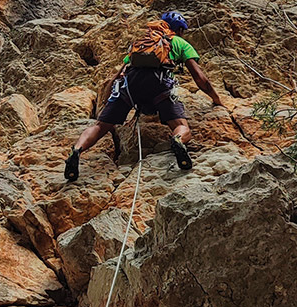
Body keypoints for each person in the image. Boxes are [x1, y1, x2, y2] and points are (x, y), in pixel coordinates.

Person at [64, 11, 224, 181]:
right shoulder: (179, 43)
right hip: (159, 87)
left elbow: (116, 76)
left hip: (129, 89)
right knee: (181, 125)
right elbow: (201, 79)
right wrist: (217, 99)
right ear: (179, 30)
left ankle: (77, 149)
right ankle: (178, 140)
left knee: (99, 126)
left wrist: (106, 103)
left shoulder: (140, 44)